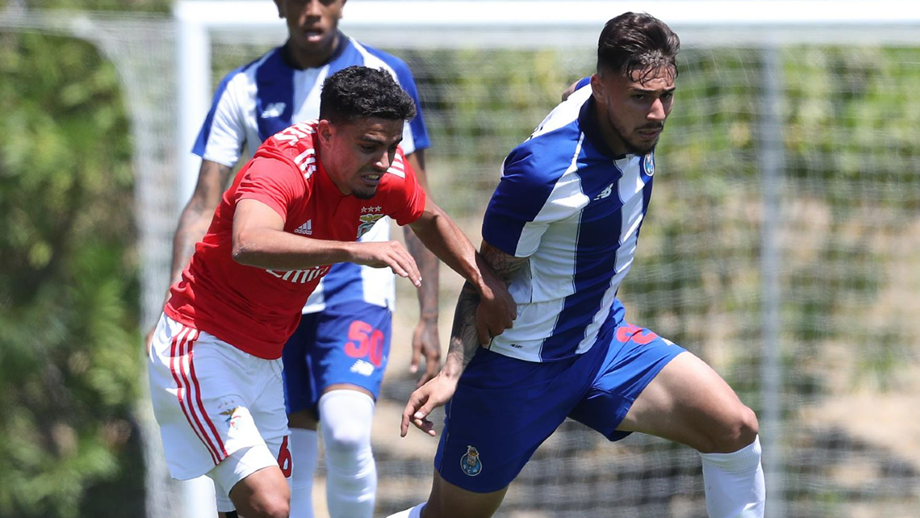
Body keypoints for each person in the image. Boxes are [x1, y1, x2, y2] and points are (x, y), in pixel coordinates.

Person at [389, 12, 765, 518]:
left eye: (666, 96)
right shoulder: (544, 173)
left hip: (599, 343)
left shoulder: (626, 118)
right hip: (516, 367)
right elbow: (487, 277)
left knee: (734, 426)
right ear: (601, 89)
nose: (657, 113)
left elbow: (579, 92)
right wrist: (453, 368)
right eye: (640, 97)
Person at [147, 66, 515, 518]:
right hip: (202, 346)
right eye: (369, 146)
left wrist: (485, 283)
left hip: (265, 360)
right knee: (271, 503)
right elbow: (248, 242)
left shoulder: (384, 175)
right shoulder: (282, 166)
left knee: (247, 511)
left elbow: (430, 219)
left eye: (392, 147)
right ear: (326, 133)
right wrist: (353, 250)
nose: (383, 161)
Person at [157, 1, 441, 516]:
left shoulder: (385, 74)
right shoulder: (243, 88)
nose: (312, 9)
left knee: (348, 432)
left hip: (354, 285)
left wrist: (429, 315)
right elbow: (203, 203)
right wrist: (175, 306)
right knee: (281, 471)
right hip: (263, 304)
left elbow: (418, 202)